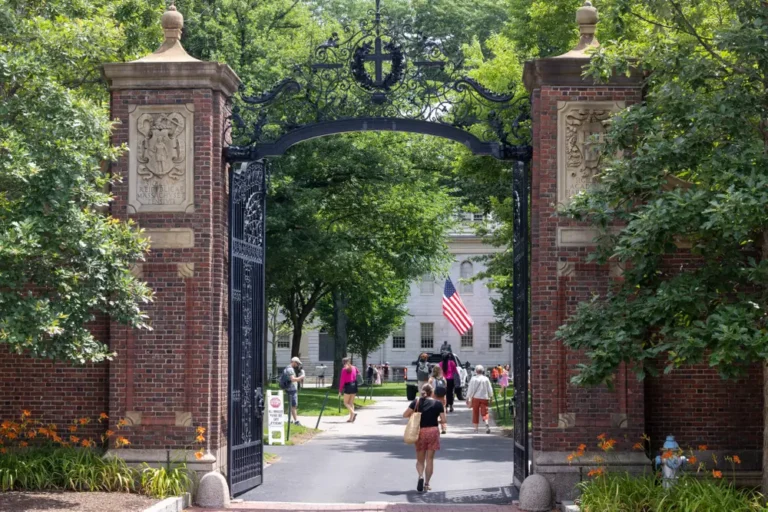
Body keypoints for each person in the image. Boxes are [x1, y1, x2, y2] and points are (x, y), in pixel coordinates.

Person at [403, 383, 446, 493]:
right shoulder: (438, 404)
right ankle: (427, 484)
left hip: (420, 432)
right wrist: (437, 421)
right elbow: (444, 420)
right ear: (432, 392)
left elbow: (405, 414)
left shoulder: (416, 402)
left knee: (420, 460)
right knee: (430, 459)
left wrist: (414, 415)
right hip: (433, 431)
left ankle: (420, 476)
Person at [466, 365, 494, 434]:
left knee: (475, 412)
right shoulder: (486, 379)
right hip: (484, 397)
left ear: (476, 371)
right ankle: (486, 424)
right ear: (483, 371)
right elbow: (489, 388)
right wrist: (491, 396)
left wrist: (468, 397)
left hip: (476, 398)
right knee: (485, 412)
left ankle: (476, 429)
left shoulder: (473, 379)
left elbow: (470, 389)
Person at [282, 357, 305, 425]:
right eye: (297, 363)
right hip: (291, 390)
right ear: (294, 362)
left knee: (291, 405)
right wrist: (302, 376)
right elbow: (293, 379)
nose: (297, 365)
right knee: (294, 405)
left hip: (289, 389)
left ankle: (289, 419)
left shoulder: (287, 368)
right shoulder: (290, 369)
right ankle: (296, 421)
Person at [338, 357, 359, 423]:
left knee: (346, 402)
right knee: (351, 403)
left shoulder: (344, 369)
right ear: (349, 361)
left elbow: (342, 381)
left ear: (343, 362)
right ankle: (351, 418)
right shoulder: (354, 367)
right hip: (354, 385)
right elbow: (358, 373)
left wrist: (340, 390)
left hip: (348, 386)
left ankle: (353, 413)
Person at [428, 366, 448, 433]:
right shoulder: (443, 379)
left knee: (434, 413)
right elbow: (445, 387)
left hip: (434, 396)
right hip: (442, 397)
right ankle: (444, 428)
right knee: (443, 412)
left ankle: (434, 427)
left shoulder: (431, 379)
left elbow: (428, 388)